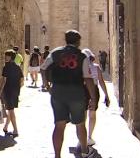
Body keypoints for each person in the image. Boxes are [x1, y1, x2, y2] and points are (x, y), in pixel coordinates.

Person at [40, 30, 97, 158]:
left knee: (59, 125)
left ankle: (57, 155)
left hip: (58, 92)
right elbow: (88, 78)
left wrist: (46, 85)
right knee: (80, 123)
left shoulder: (55, 53)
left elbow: (43, 68)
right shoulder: (82, 56)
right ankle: (84, 151)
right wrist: (93, 97)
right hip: (76, 93)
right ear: (78, 41)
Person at [82, 49, 110, 145]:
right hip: (94, 90)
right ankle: (89, 136)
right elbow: (101, 82)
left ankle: (83, 137)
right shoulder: (96, 67)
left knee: (84, 115)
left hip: (84, 91)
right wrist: (106, 95)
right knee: (92, 115)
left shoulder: (81, 68)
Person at [0, 49, 24, 138]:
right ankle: (5, 127)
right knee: (10, 109)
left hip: (8, 91)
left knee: (11, 111)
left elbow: (4, 81)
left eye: (6, 56)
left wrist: (0, 92)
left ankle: (15, 130)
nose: (5, 57)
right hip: (16, 91)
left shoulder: (6, 67)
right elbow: (21, 80)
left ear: (10, 57)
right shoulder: (18, 67)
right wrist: (18, 89)